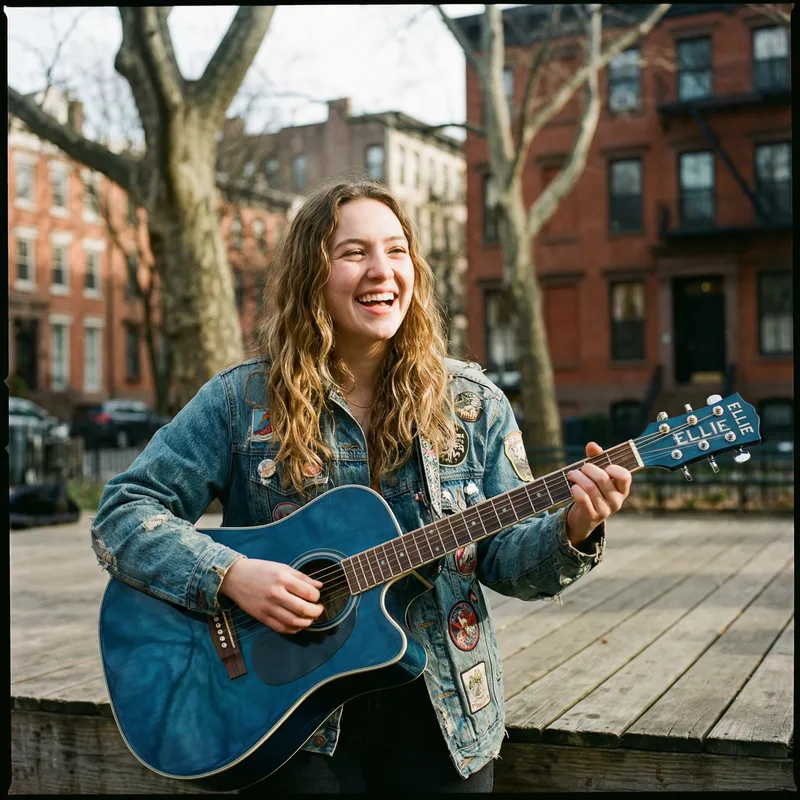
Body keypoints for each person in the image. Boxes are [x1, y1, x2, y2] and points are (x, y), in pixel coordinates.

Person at [91, 179, 632, 794]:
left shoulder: (474, 405)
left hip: (446, 717)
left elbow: (506, 561)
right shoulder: (240, 402)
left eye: (397, 250)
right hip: (289, 720)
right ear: (310, 274)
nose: (382, 270)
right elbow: (123, 513)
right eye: (354, 253)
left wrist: (574, 527)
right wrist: (231, 575)